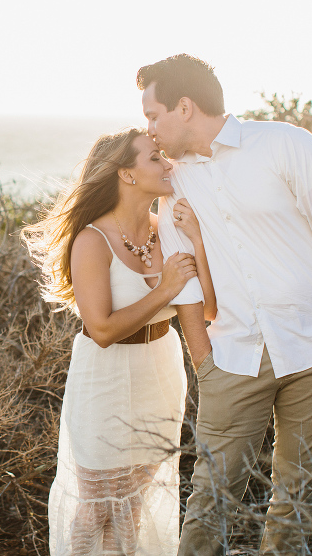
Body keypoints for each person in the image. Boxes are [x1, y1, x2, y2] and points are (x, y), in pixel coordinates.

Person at [136, 54, 312, 555]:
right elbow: (188, 285)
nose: (149, 128)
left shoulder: (286, 145)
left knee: (296, 503)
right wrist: (205, 364)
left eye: (153, 115)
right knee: (210, 505)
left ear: (184, 106)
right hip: (233, 359)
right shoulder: (173, 183)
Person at [23, 128, 216, 556]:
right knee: (96, 509)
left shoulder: (169, 228)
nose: (169, 165)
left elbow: (207, 311)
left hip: (161, 372)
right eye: (155, 158)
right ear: (126, 175)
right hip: (104, 380)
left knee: (134, 507)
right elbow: (103, 330)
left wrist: (199, 241)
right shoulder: (92, 240)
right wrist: (163, 290)